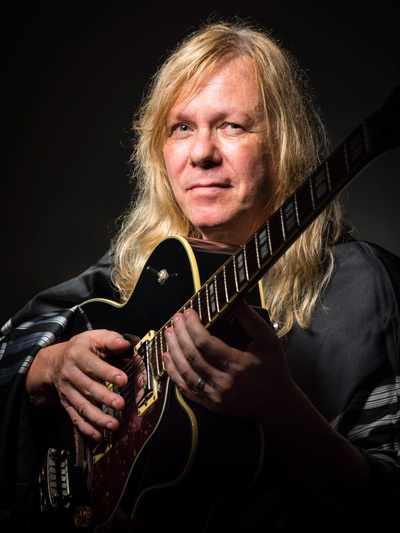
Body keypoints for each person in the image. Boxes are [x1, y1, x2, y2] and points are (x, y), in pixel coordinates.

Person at [1, 19, 399, 533]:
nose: (202, 152)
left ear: (281, 142)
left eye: (231, 125)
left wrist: (281, 408)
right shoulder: (137, 273)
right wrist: (48, 369)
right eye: (181, 127)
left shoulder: (361, 287)